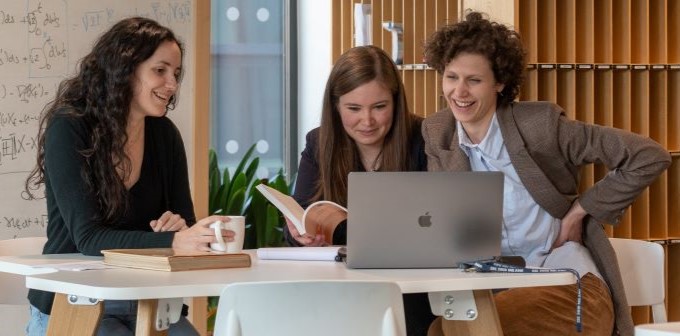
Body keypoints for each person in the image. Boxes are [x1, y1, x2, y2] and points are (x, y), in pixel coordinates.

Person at [421, 12, 671, 336]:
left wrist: (583, 209)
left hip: (570, 285)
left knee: (476, 329)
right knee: (443, 330)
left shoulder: (540, 126)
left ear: (499, 82)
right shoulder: (439, 133)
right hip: (495, 288)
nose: (459, 91)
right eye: (451, 77)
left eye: (474, 80)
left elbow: (648, 156)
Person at [23, 17, 233, 336]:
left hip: (147, 302)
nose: (172, 85)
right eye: (160, 70)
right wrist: (172, 240)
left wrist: (178, 228)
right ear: (125, 68)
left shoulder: (164, 135)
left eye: (175, 73)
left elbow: (184, 221)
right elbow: (89, 238)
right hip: (77, 305)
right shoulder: (70, 127)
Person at [283, 45, 433, 335]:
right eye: (353, 109)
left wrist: (343, 230)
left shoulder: (422, 138)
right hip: (338, 288)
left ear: (396, 102)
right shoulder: (318, 142)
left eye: (379, 107)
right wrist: (298, 234)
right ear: (335, 105)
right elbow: (299, 214)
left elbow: (432, 227)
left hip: (409, 290)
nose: (367, 121)